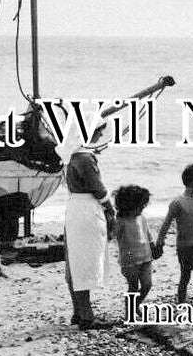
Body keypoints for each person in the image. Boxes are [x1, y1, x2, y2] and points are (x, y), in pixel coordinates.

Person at [59, 122, 115, 330]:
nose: (100, 135)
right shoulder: (83, 157)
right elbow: (98, 189)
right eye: (98, 131)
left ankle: (79, 311)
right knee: (84, 263)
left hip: (76, 207)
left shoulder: (72, 155)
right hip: (86, 209)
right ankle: (86, 316)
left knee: (75, 262)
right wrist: (110, 209)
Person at [155, 163, 193, 304]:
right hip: (186, 246)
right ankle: (182, 304)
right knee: (185, 276)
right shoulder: (178, 202)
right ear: (192, 183)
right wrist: (160, 243)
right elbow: (166, 224)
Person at [114, 185, 157, 307]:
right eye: (140, 206)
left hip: (146, 257)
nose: (142, 209)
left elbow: (147, 233)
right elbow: (112, 235)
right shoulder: (121, 221)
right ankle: (130, 310)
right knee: (133, 287)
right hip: (130, 260)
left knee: (147, 285)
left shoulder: (141, 217)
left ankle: (135, 305)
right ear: (129, 206)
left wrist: (153, 246)